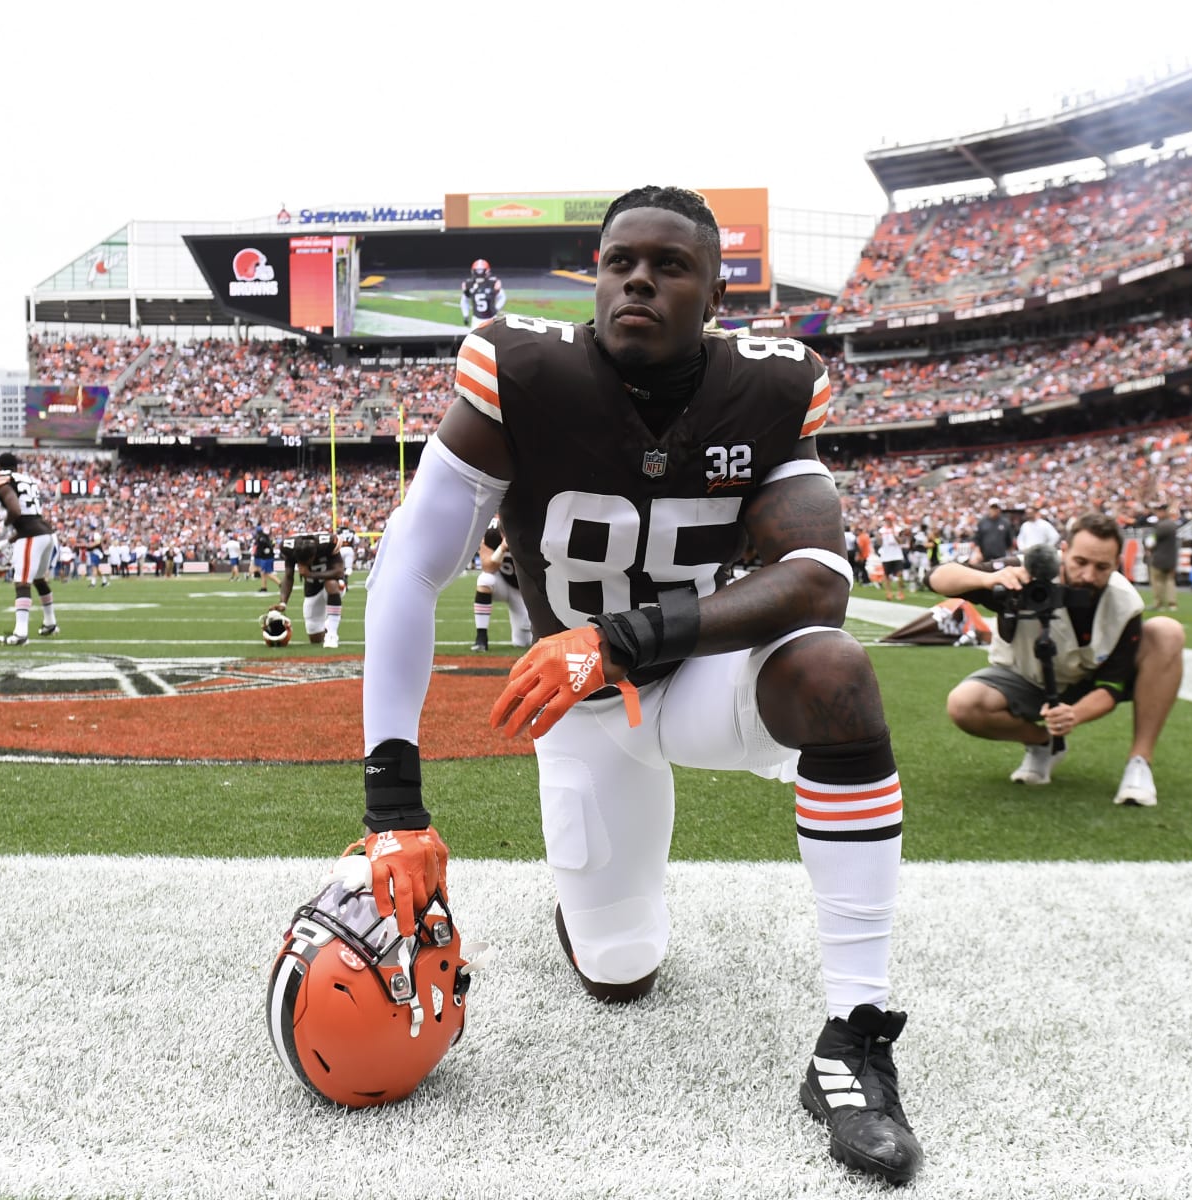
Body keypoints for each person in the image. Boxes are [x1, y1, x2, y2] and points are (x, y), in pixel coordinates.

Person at [355, 186, 921, 1185]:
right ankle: (591, 915)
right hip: (582, 715)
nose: (639, 282)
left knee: (834, 672)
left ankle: (857, 1031)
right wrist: (392, 806)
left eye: (669, 266)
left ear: (714, 288)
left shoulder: (771, 386)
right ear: (597, 274)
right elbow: (409, 568)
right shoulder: (518, 373)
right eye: (620, 262)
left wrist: (618, 639)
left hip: (698, 678)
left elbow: (821, 580)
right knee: (622, 974)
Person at [931, 512, 1185, 807]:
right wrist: (990, 579)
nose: (1089, 575)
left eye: (1102, 567)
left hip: (1085, 681)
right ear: (1063, 552)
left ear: (1117, 564)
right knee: (964, 704)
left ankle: (1139, 763)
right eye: (1080, 562)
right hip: (1024, 677)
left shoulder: (1124, 601)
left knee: (1167, 632)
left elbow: (1111, 687)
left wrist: (1074, 715)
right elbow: (937, 577)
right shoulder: (1026, 571)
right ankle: (1042, 743)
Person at [0, 451, 61, 645]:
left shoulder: (2, 480)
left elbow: (16, 510)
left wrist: (5, 525)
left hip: (32, 535)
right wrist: (11, 539)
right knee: (38, 579)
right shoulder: (27, 480)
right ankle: (50, 623)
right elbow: (29, 515)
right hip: (46, 532)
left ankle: (21, 634)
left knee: (21, 581)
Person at [275, 530, 347, 648]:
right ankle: (327, 627)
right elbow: (288, 577)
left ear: (314, 555)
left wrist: (310, 574)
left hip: (334, 584)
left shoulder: (328, 544)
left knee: (331, 583)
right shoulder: (289, 548)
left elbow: (339, 572)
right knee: (315, 638)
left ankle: (332, 635)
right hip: (312, 588)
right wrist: (283, 603)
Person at [470, 519, 533, 652]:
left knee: (522, 642)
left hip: (525, 590)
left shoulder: (531, 533)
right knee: (485, 579)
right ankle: (481, 638)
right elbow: (487, 567)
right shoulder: (491, 533)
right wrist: (502, 548)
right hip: (503, 583)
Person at [1148, 507, 1180, 611]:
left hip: (1159, 558)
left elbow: (1152, 541)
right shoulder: (1173, 525)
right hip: (1171, 558)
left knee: (1157, 581)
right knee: (1170, 581)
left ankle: (1159, 604)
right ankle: (1172, 604)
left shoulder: (1161, 526)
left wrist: (1148, 547)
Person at [461, 258, 505, 328]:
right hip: (477, 319)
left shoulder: (493, 283)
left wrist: (496, 308)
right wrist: (465, 315)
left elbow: (502, 297)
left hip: (491, 318)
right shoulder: (469, 284)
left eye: (481, 270)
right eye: (478, 270)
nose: (479, 273)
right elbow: (464, 300)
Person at [252, 527, 276, 592]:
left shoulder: (260, 538)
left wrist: (257, 555)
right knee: (263, 573)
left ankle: (280, 584)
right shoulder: (266, 537)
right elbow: (271, 544)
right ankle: (264, 587)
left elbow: (260, 548)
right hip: (267, 556)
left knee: (266, 573)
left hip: (266, 557)